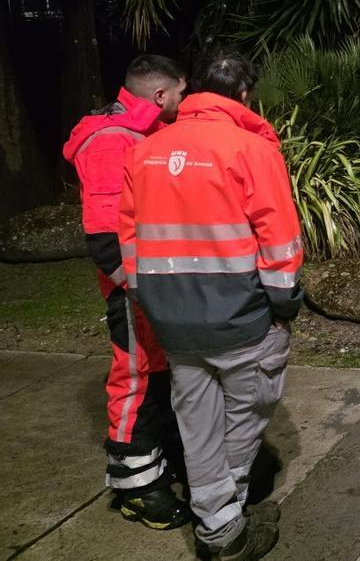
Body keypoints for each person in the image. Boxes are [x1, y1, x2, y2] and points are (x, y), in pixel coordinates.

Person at [119, 50, 304, 560]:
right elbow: (279, 241)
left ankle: (217, 518)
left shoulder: (146, 151)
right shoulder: (252, 149)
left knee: (196, 422)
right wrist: (286, 305)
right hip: (241, 320)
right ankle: (223, 527)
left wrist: (147, 300)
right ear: (244, 96)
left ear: (193, 89)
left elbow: (129, 238)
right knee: (243, 420)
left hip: (172, 321)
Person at [62, 55, 191, 530]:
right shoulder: (112, 141)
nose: (184, 100)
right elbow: (105, 239)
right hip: (135, 291)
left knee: (157, 376)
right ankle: (137, 489)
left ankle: (161, 462)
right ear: (160, 95)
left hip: (153, 286)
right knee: (135, 378)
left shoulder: (140, 133)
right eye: (180, 92)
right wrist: (136, 291)